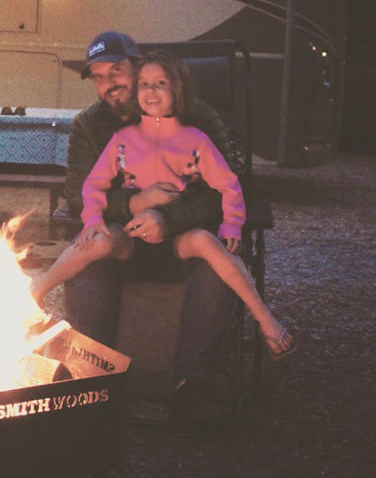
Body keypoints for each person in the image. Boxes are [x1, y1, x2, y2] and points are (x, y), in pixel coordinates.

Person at [35, 50, 295, 361]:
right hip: (131, 239)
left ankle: (266, 320)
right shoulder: (123, 139)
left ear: (178, 90)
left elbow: (228, 185)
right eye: (144, 84)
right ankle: (36, 290)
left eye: (161, 84)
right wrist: (92, 219)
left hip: (177, 239)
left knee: (207, 242)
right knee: (98, 239)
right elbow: (92, 185)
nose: (150, 91)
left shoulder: (195, 139)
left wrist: (232, 223)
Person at [59, 31, 240, 428]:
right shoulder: (90, 125)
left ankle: (192, 391)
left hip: (183, 242)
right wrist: (134, 205)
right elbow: (77, 194)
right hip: (122, 244)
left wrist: (168, 219)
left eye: (118, 71)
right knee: (90, 259)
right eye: (99, 77)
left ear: (140, 67)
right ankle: (91, 387)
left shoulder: (198, 116)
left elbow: (227, 187)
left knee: (217, 265)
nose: (110, 84)